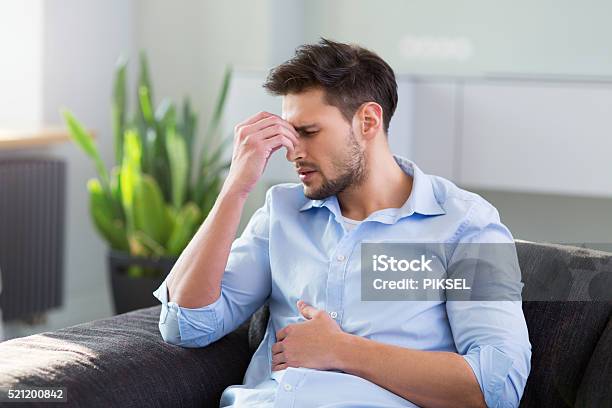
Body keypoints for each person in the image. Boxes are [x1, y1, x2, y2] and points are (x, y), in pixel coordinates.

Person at [153, 38, 531, 408]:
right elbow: (186, 326)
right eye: (288, 132)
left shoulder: (464, 226)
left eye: (308, 132)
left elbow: (495, 387)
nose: (292, 152)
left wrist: (341, 350)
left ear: (367, 121)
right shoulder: (281, 212)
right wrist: (235, 189)